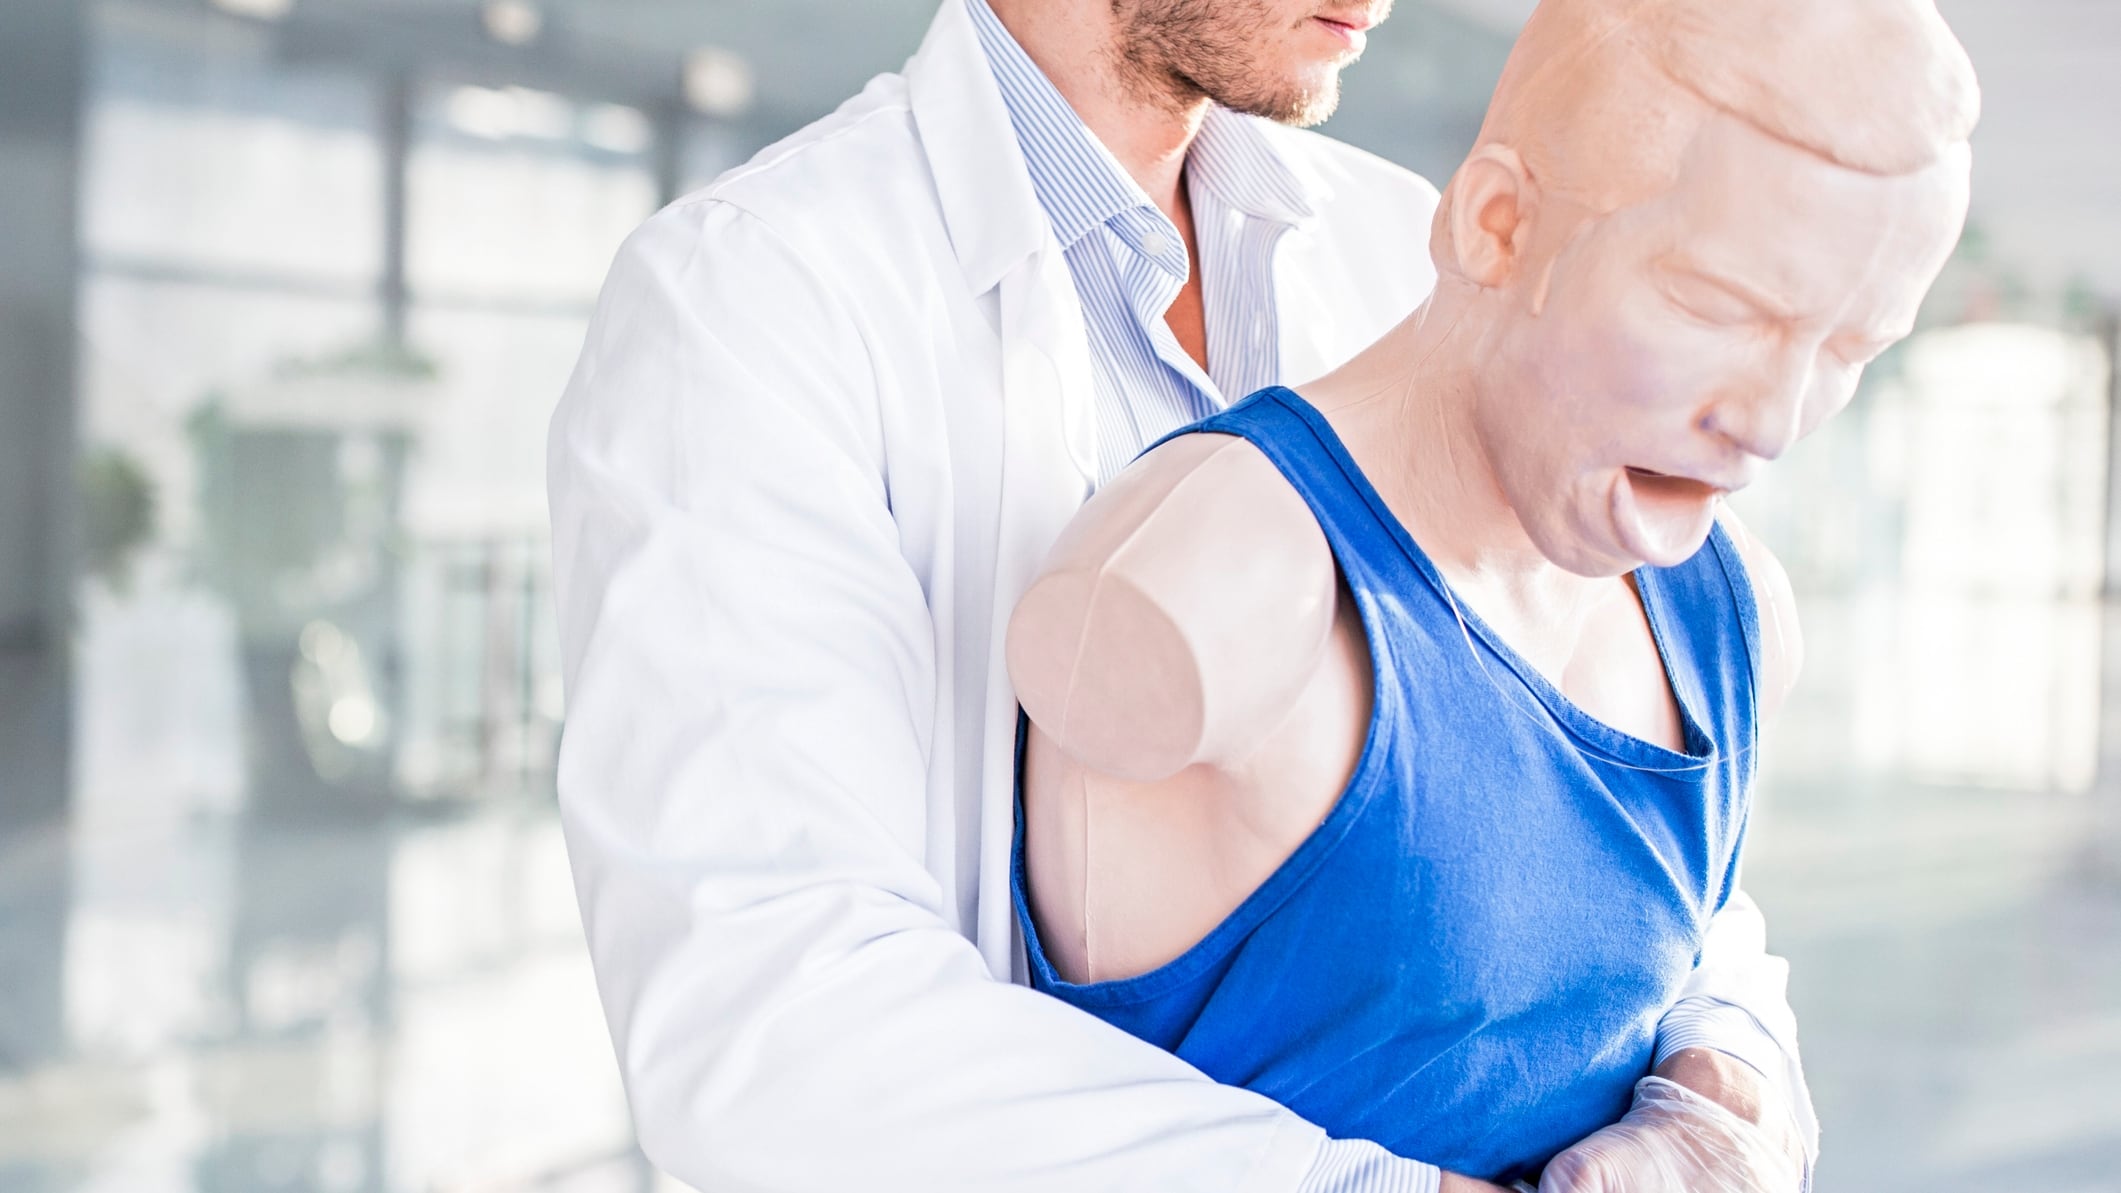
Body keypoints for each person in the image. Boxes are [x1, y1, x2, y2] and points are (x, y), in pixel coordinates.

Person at [546, 0, 1817, 1188]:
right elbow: (779, 1024)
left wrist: (1724, 1079)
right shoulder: (750, 299)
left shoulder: (1404, 249)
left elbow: (1606, 808)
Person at [1005, 0, 1977, 1188]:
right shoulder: (1205, 586)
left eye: (1846, 351)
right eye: (1720, 307)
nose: (1774, 423)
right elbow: (840, 997)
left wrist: (1728, 1085)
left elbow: (1702, 949)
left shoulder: (1733, 615)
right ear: (1498, 225)